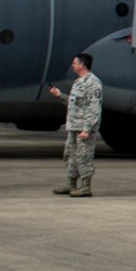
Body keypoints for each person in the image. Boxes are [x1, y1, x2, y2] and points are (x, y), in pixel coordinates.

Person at [47, 53, 102, 197]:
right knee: (70, 155)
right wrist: (60, 95)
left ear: (82, 64)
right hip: (73, 126)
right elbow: (74, 103)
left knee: (84, 156)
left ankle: (85, 187)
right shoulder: (78, 82)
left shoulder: (93, 83)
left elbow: (94, 108)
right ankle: (71, 184)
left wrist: (87, 129)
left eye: (75, 63)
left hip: (83, 127)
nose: (73, 65)